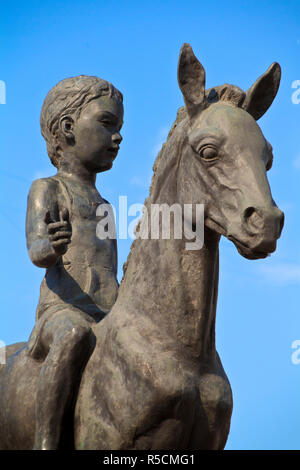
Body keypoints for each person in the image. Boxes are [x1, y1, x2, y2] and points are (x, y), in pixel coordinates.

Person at [26, 75, 123, 449]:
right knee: (74, 335)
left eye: (120, 128)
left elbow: (110, 270)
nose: (118, 137)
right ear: (68, 128)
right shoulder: (47, 188)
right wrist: (51, 245)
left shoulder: (107, 208)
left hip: (107, 314)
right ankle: (45, 441)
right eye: (107, 123)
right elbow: (37, 250)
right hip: (62, 311)